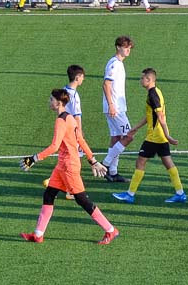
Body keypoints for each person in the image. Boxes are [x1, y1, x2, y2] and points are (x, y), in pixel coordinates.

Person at [19, 89, 117, 245]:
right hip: (62, 165)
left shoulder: (61, 121)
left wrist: (34, 158)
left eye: (51, 99)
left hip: (68, 167)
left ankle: (110, 230)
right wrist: (92, 160)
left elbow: (54, 146)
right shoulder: (70, 118)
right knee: (49, 195)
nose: (49, 101)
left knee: (82, 200)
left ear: (58, 102)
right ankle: (38, 234)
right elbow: (81, 141)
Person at [112, 68, 186, 204]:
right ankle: (180, 193)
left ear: (149, 80)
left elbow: (160, 116)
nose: (140, 80)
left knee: (140, 162)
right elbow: (149, 116)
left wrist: (167, 135)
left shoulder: (153, 95)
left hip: (155, 136)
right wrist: (135, 128)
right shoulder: (156, 92)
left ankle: (130, 194)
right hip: (160, 135)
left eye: (142, 78)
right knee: (167, 162)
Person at [42, 64, 87, 201]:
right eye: (83, 77)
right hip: (71, 131)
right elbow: (77, 116)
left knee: (65, 157)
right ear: (78, 77)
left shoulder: (64, 90)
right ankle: (70, 190)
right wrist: (79, 133)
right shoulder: (74, 95)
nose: (83, 80)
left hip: (65, 129)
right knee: (74, 159)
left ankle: (58, 183)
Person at [101, 35, 135, 182]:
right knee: (129, 135)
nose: (128, 50)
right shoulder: (114, 64)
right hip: (115, 108)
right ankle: (105, 164)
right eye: (125, 47)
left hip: (116, 107)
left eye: (129, 48)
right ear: (118, 47)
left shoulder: (118, 64)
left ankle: (113, 172)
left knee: (116, 137)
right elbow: (106, 84)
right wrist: (111, 105)